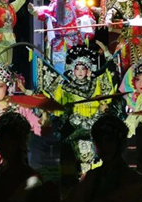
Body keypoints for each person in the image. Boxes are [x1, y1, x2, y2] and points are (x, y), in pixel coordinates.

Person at [35, 45, 116, 177]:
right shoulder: (65, 88)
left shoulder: (97, 84)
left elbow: (109, 86)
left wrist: (107, 53)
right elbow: (52, 101)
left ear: (88, 70)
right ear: (72, 70)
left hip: (94, 129)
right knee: (71, 166)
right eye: (77, 68)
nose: (80, 72)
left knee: (98, 167)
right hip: (72, 129)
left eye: (83, 68)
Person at [63, 114, 142, 202]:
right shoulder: (91, 177)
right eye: (99, 140)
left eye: (109, 140)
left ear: (120, 143)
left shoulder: (135, 182)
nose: (103, 145)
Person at [29, 0, 95, 74]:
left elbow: (88, 16)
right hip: (58, 42)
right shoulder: (55, 6)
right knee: (58, 68)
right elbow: (46, 11)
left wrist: (81, 21)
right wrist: (35, 10)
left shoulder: (76, 5)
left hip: (73, 41)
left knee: (74, 67)